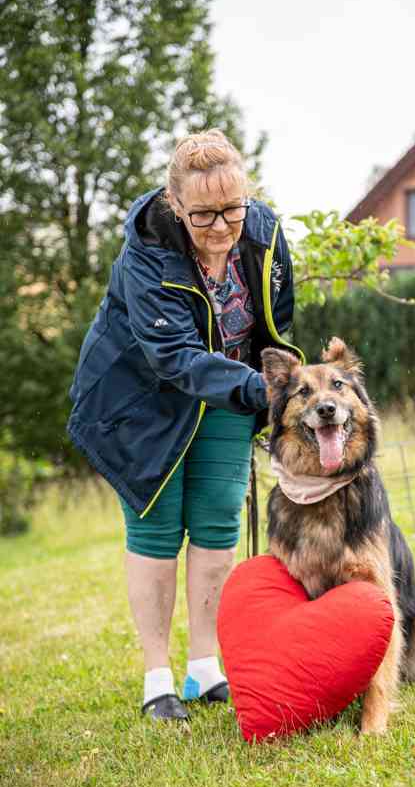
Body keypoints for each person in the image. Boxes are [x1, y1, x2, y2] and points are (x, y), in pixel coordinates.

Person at [67, 129, 304, 721]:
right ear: (176, 206)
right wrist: (261, 389)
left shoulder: (265, 231)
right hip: (139, 400)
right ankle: (157, 679)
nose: (223, 228)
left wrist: (269, 381)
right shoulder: (146, 254)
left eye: (232, 210)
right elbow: (171, 358)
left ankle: (204, 667)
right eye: (204, 215)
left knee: (218, 517)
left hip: (228, 391)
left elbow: (275, 316)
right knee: (157, 529)